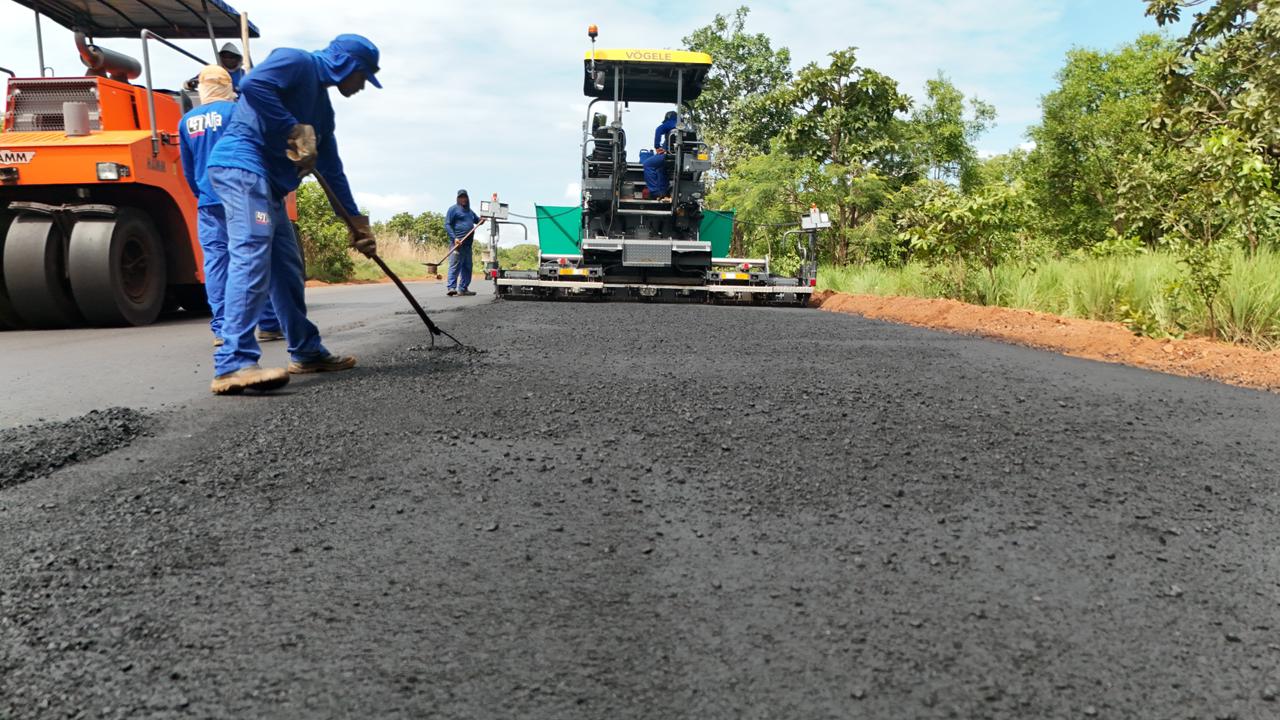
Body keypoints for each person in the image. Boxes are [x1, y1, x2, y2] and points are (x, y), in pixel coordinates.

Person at [203, 34, 381, 395]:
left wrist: (356, 224)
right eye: (363, 77)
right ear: (348, 65)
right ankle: (233, 363)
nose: (362, 86)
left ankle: (306, 351)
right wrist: (292, 128)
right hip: (242, 167)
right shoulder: (297, 60)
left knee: (286, 268)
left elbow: (332, 171)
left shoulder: (323, 114)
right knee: (251, 253)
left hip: (270, 185)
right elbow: (253, 85)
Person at [178, 65, 283, 349]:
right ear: (228, 86)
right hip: (244, 197)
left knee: (216, 263)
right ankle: (269, 323)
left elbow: (188, 169)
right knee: (255, 257)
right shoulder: (238, 112)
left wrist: (202, 192)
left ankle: (223, 329)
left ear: (203, 88)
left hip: (209, 202)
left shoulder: (187, 121)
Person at [444, 189, 485, 297]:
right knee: (455, 265)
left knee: (467, 267)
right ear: (458, 198)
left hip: (467, 245)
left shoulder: (470, 211)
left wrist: (482, 220)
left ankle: (463, 289)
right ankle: (451, 288)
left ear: (467, 198)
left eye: (465, 197)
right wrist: (454, 238)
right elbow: (447, 225)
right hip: (457, 244)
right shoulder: (453, 209)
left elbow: (477, 220)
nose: (463, 199)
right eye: (461, 197)